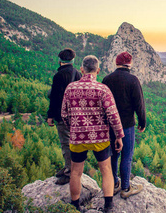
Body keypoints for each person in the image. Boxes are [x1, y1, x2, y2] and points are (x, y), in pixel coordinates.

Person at [62, 55, 124, 212]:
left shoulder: (70, 89)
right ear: (98, 71)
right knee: (106, 171)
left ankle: (75, 206)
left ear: (82, 70)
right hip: (100, 139)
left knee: (76, 172)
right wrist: (119, 136)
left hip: (77, 139)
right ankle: (108, 207)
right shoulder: (103, 89)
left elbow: (64, 114)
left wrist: (75, 128)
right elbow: (113, 115)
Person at [102, 51, 146, 198]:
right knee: (127, 155)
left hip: (110, 125)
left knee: (113, 154)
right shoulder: (133, 80)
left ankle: (114, 183)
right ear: (129, 64)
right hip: (126, 124)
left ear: (116, 62)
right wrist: (142, 121)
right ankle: (126, 188)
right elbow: (139, 104)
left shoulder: (107, 79)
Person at [47, 48, 82, 185]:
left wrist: (50, 116)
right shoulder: (77, 74)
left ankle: (69, 173)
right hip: (75, 115)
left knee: (65, 143)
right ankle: (69, 167)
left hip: (62, 115)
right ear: (73, 60)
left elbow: (54, 98)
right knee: (72, 143)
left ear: (60, 60)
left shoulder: (58, 76)